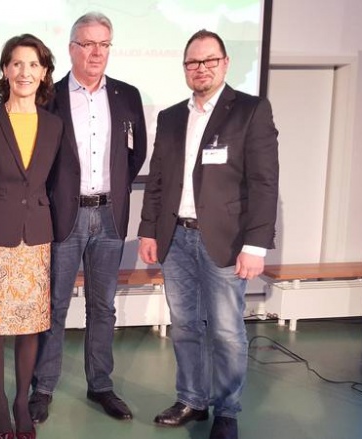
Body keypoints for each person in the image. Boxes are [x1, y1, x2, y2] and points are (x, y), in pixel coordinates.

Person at [137, 30, 279, 439]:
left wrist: (255, 245)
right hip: (175, 238)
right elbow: (159, 181)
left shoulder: (250, 111)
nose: (200, 69)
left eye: (208, 61)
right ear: (185, 68)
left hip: (226, 241)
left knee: (227, 331)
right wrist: (148, 231)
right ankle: (192, 400)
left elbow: (265, 183)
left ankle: (228, 411)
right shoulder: (170, 117)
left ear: (225, 63)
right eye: (192, 62)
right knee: (184, 326)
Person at [30, 11, 147, 423]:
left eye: (104, 44)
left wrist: (112, 190)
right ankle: (42, 388)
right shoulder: (50, 97)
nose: (96, 52)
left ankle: (101, 385)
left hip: (110, 217)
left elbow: (136, 155)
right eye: (88, 44)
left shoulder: (127, 95)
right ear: (72, 49)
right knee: (55, 306)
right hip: (65, 217)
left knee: (104, 307)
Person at [0, 34, 62, 439]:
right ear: (5, 70)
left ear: (44, 73)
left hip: (36, 236)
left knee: (29, 325)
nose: (25, 72)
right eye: (17, 64)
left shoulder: (55, 125)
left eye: (33, 65)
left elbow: (51, 180)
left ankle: (22, 400)